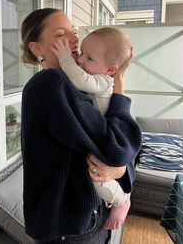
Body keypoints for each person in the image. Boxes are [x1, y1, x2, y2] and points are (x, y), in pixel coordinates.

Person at [20, 8, 142, 243]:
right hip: (71, 226)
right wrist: (119, 84)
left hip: (86, 216)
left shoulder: (75, 86)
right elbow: (118, 147)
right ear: (37, 49)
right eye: (60, 34)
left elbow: (119, 151)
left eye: (74, 31)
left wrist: (121, 169)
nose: (75, 39)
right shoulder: (51, 84)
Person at [50, 27, 133, 230]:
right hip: (103, 140)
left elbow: (80, 79)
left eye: (89, 58)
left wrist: (64, 57)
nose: (80, 60)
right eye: (82, 54)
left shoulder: (104, 81)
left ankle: (121, 200)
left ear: (111, 70)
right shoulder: (101, 75)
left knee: (96, 177)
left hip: (107, 142)